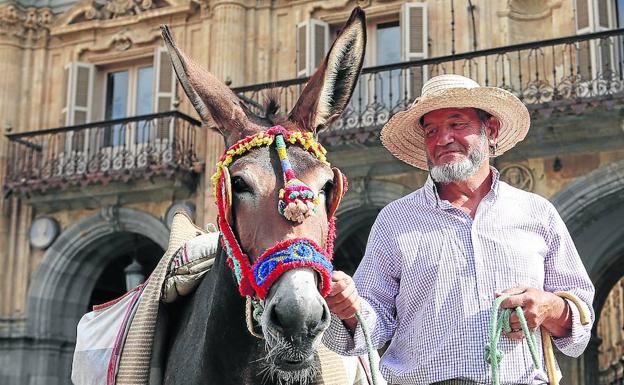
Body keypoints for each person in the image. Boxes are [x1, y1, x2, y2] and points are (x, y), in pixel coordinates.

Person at [322, 74, 595, 385]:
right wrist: (347, 308)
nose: (442, 139)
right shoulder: (395, 220)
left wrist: (550, 308)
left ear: (490, 130)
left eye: (457, 124)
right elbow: (371, 326)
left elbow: (580, 326)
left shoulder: (538, 213)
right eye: (431, 131)